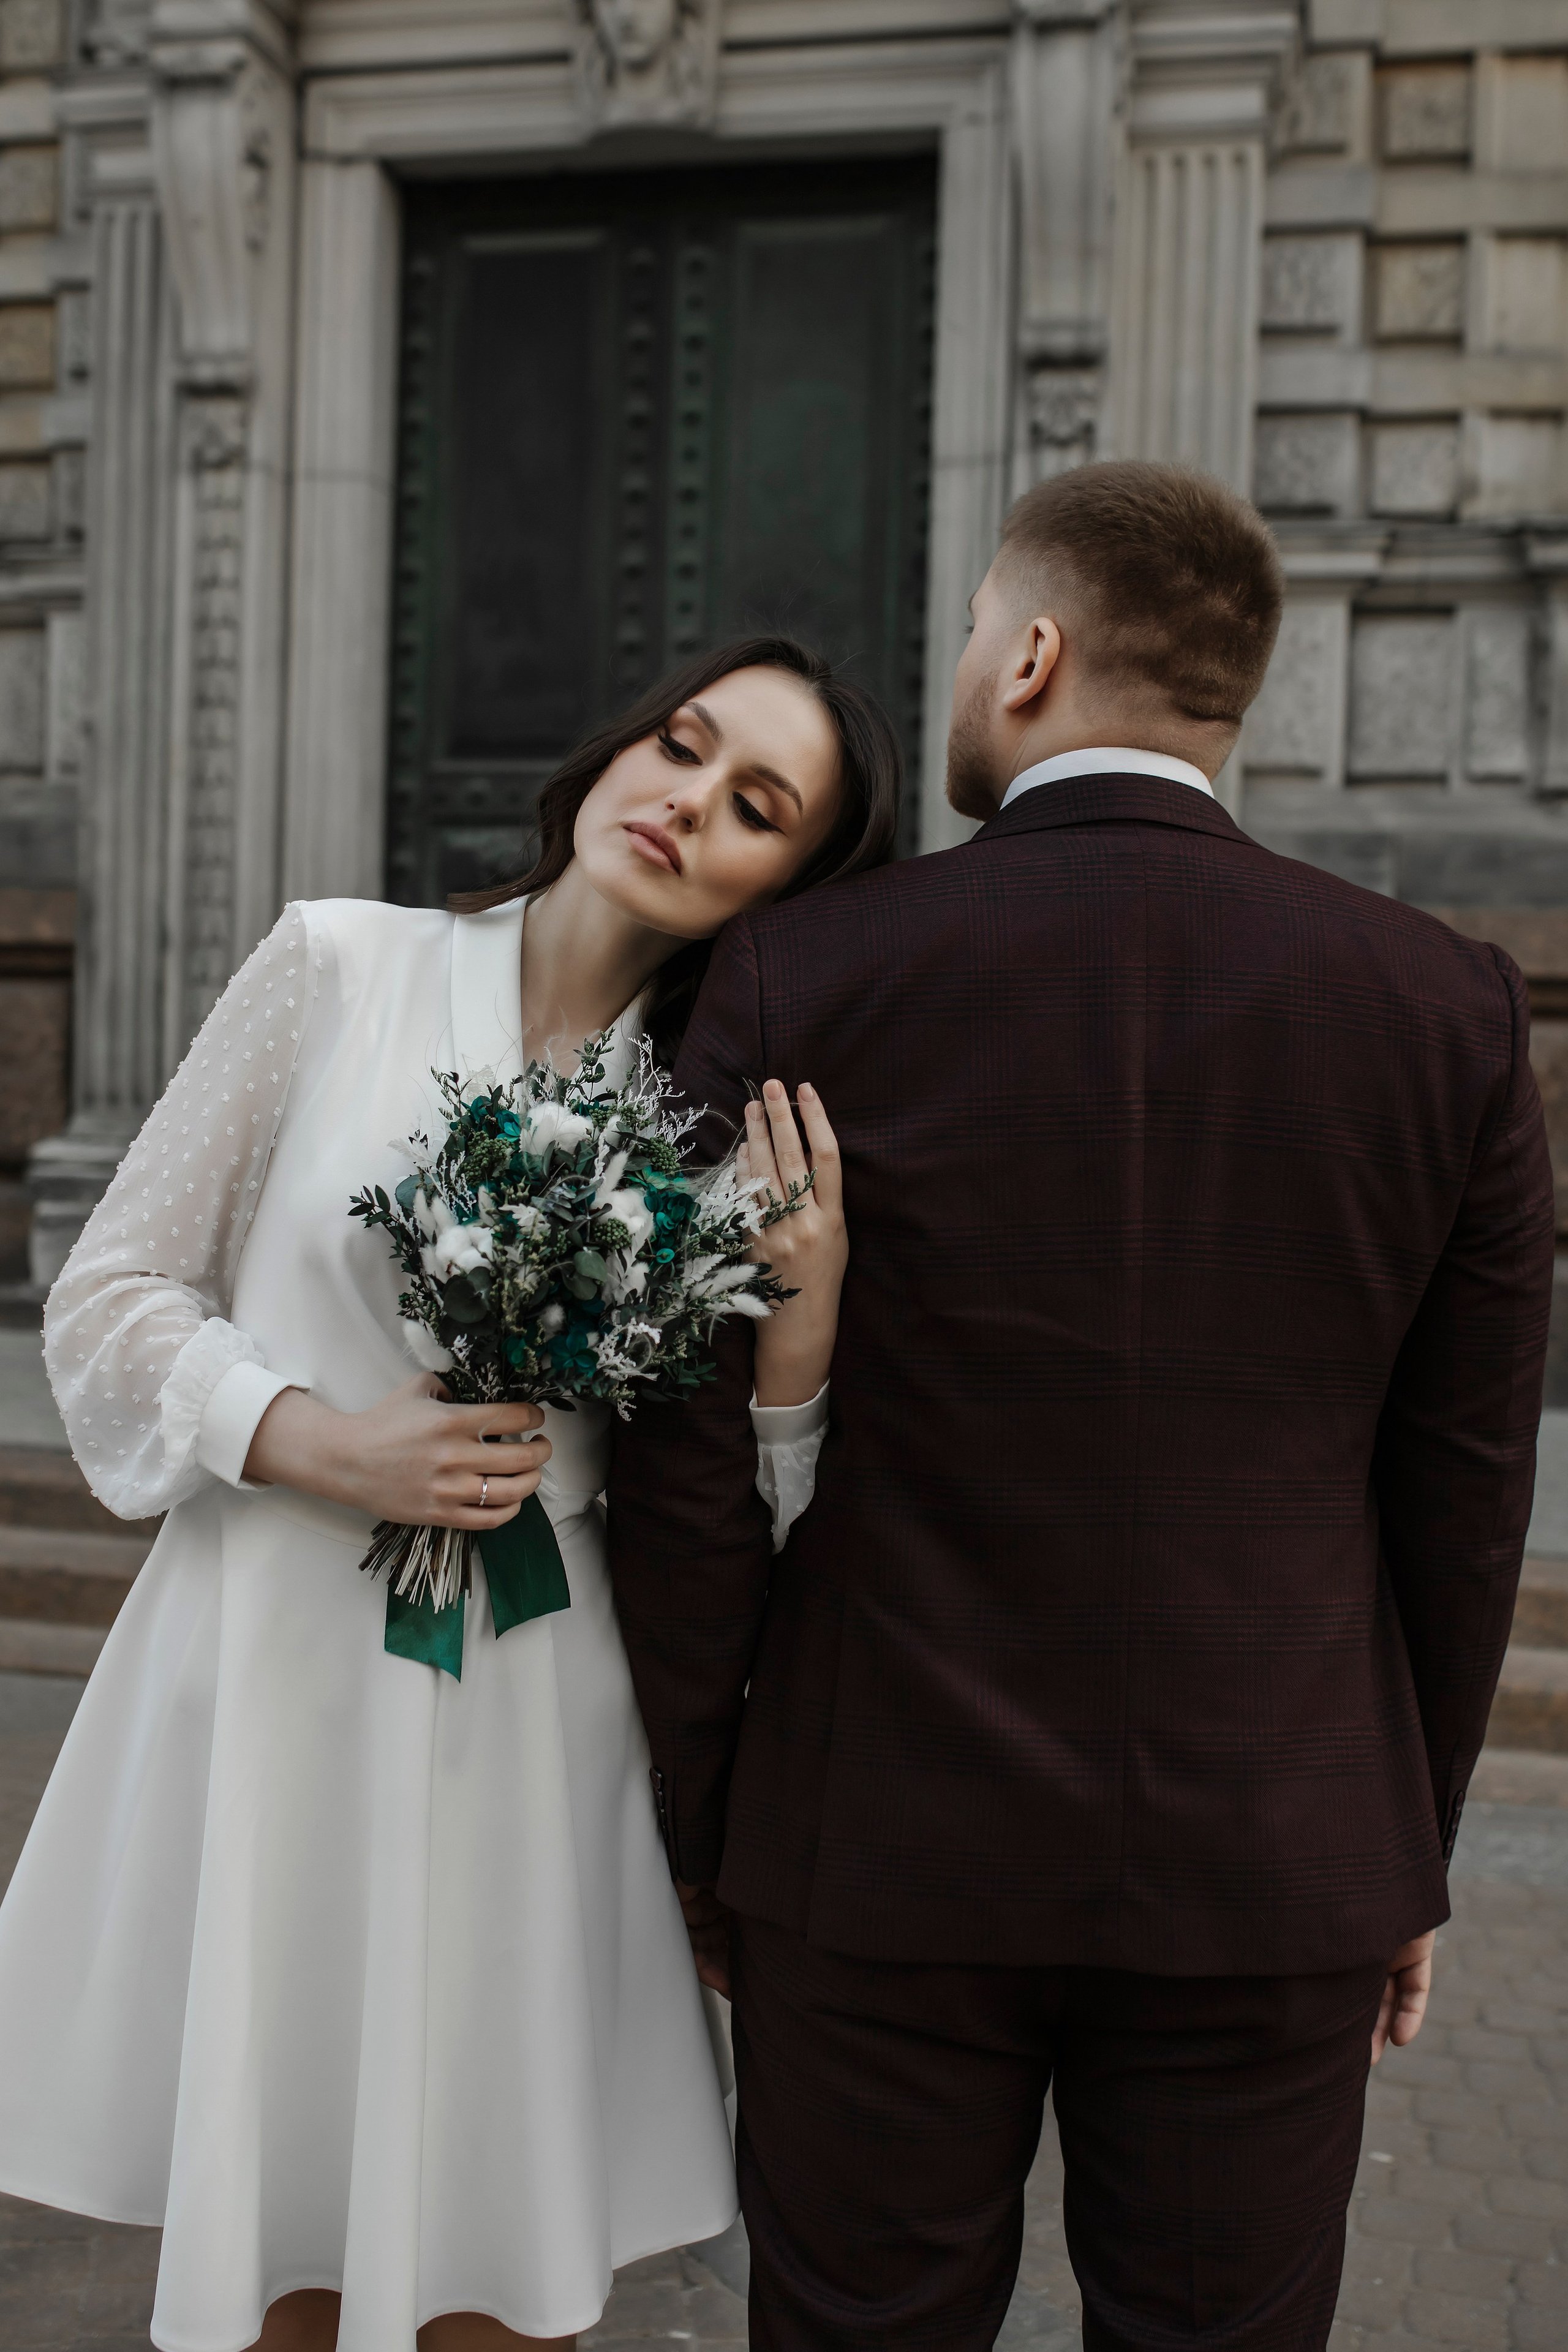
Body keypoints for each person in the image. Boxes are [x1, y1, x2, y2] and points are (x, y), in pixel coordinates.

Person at [607, 462, 1557, 2351]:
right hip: (1275, 1850)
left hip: (867, 1848)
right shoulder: (1445, 1007)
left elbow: (685, 1464)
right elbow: (1464, 1501)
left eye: (972, 630)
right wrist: (1401, 1843)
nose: (962, 664)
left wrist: (709, 1830)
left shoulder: (807, 974)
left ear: (1034, 653)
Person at [0, 637, 899, 2352]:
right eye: (684, 744)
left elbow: (752, 1521)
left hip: (529, 1712)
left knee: (501, 2257)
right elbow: (110, 1297)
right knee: (281, 2246)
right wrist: (314, 1437)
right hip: (275, 1666)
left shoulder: (714, 1130)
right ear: (620, 743)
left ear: (787, 884)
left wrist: (801, 1343)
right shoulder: (340, 961)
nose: (688, 800)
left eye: (755, 807)